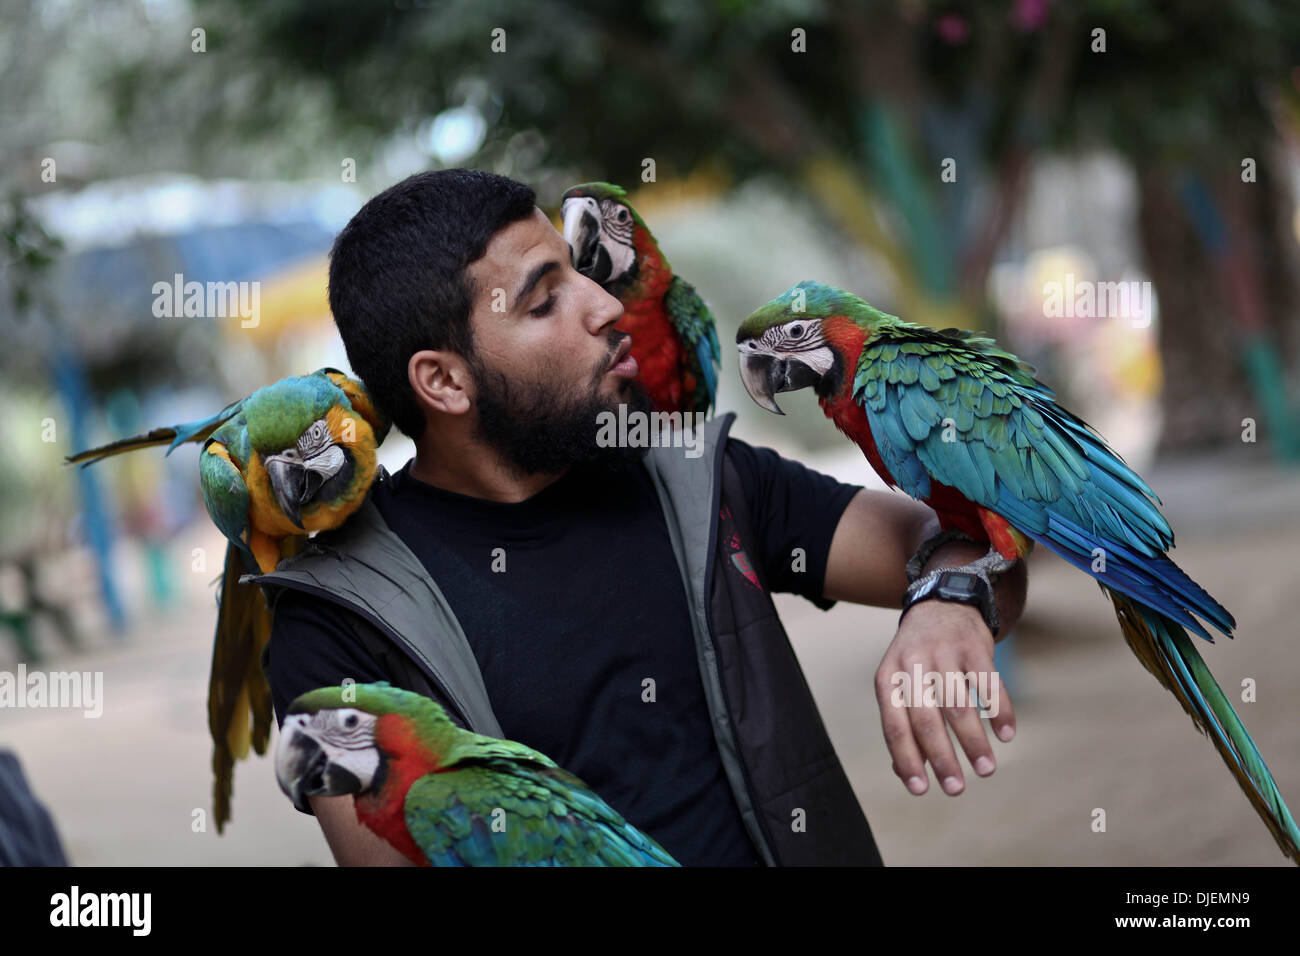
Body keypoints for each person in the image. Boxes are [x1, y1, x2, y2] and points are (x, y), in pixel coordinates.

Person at [259, 169, 1027, 866]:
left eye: (582, 272)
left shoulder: (701, 478)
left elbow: (966, 550)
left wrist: (948, 603)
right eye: (545, 299)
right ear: (444, 382)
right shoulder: (340, 622)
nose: (605, 304)